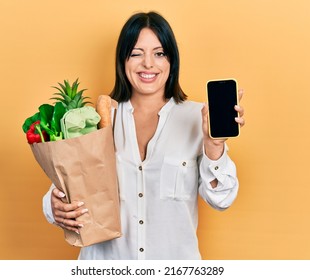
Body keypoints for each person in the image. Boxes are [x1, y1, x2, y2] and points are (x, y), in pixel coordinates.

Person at [42, 11, 245, 260]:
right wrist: (53, 206)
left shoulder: (198, 118)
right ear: (123, 60)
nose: (148, 64)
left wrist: (214, 145)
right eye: (136, 53)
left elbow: (221, 199)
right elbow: (63, 187)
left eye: (159, 53)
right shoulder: (96, 120)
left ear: (172, 61)